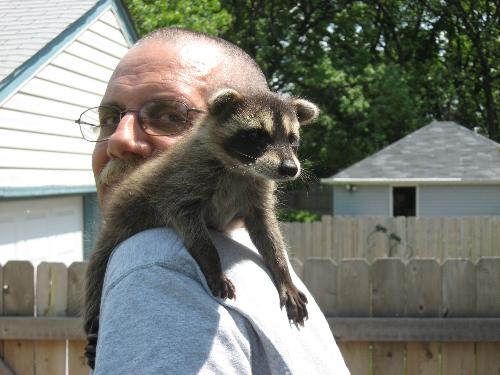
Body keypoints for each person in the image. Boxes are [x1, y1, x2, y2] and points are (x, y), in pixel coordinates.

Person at [83, 27, 350, 374]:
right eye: (108, 119)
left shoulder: (154, 265)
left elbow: (259, 221)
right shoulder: (250, 265)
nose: (120, 140)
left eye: (170, 115)